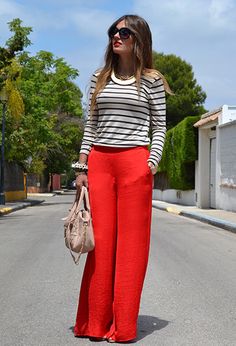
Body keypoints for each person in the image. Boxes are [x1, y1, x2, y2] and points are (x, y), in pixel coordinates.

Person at [73, 14, 171, 343]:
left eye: (124, 32)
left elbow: (159, 126)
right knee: (100, 245)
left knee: (131, 249)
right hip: (100, 163)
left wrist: (150, 163)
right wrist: (82, 166)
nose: (117, 36)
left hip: (134, 163)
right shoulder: (98, 77)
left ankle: (125, 326)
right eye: (113, 32)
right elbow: (91, 124)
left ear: (138, 39)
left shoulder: (152, 80)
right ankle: (95, 323)